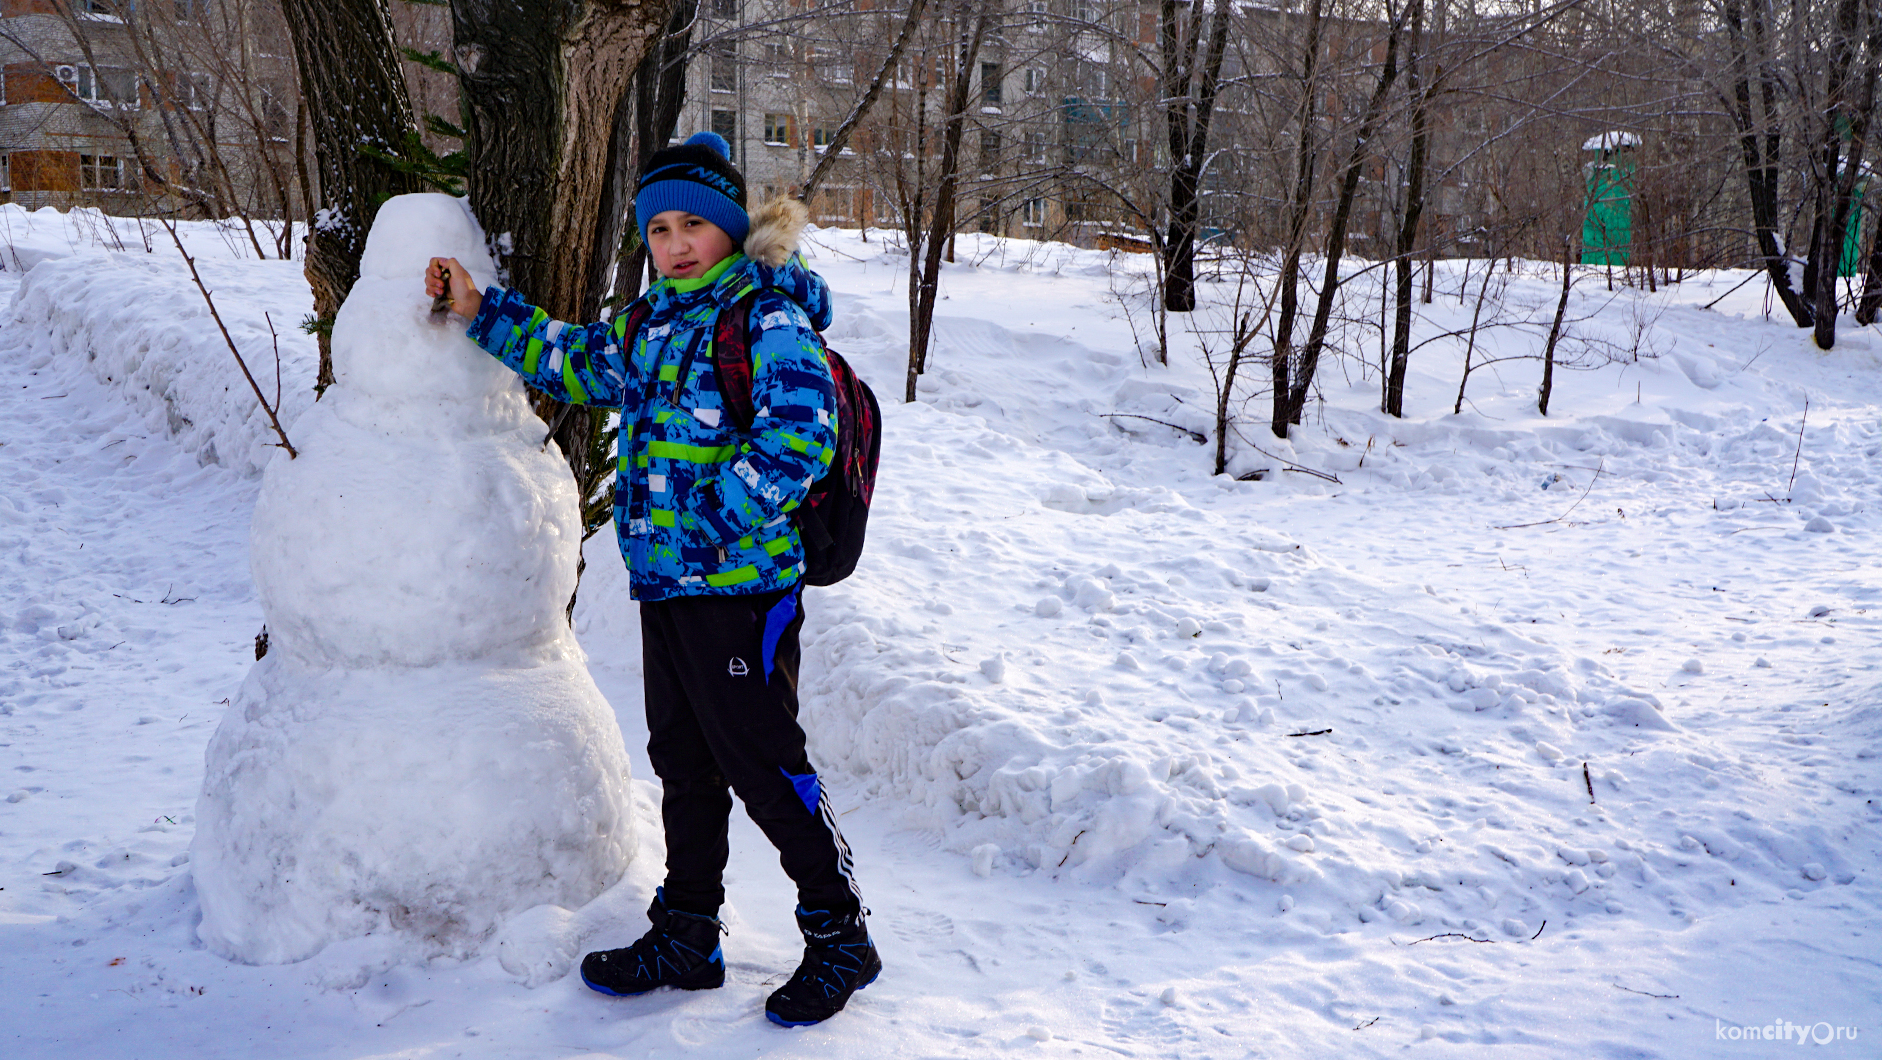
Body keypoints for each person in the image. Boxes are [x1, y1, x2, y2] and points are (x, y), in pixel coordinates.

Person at [424, 131, 878, 1027]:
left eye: (692, 226)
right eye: (658, 228)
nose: (673, 244)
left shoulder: (764, 316)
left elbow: (797, 444)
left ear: (730, 227)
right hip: (668, 590)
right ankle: (689, 934)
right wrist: (482, 311)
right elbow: (574, 361)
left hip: (743, 588)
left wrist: (706, 526)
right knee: (685, 763)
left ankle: (840, 934)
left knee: (762, 760)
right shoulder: (647, 324)